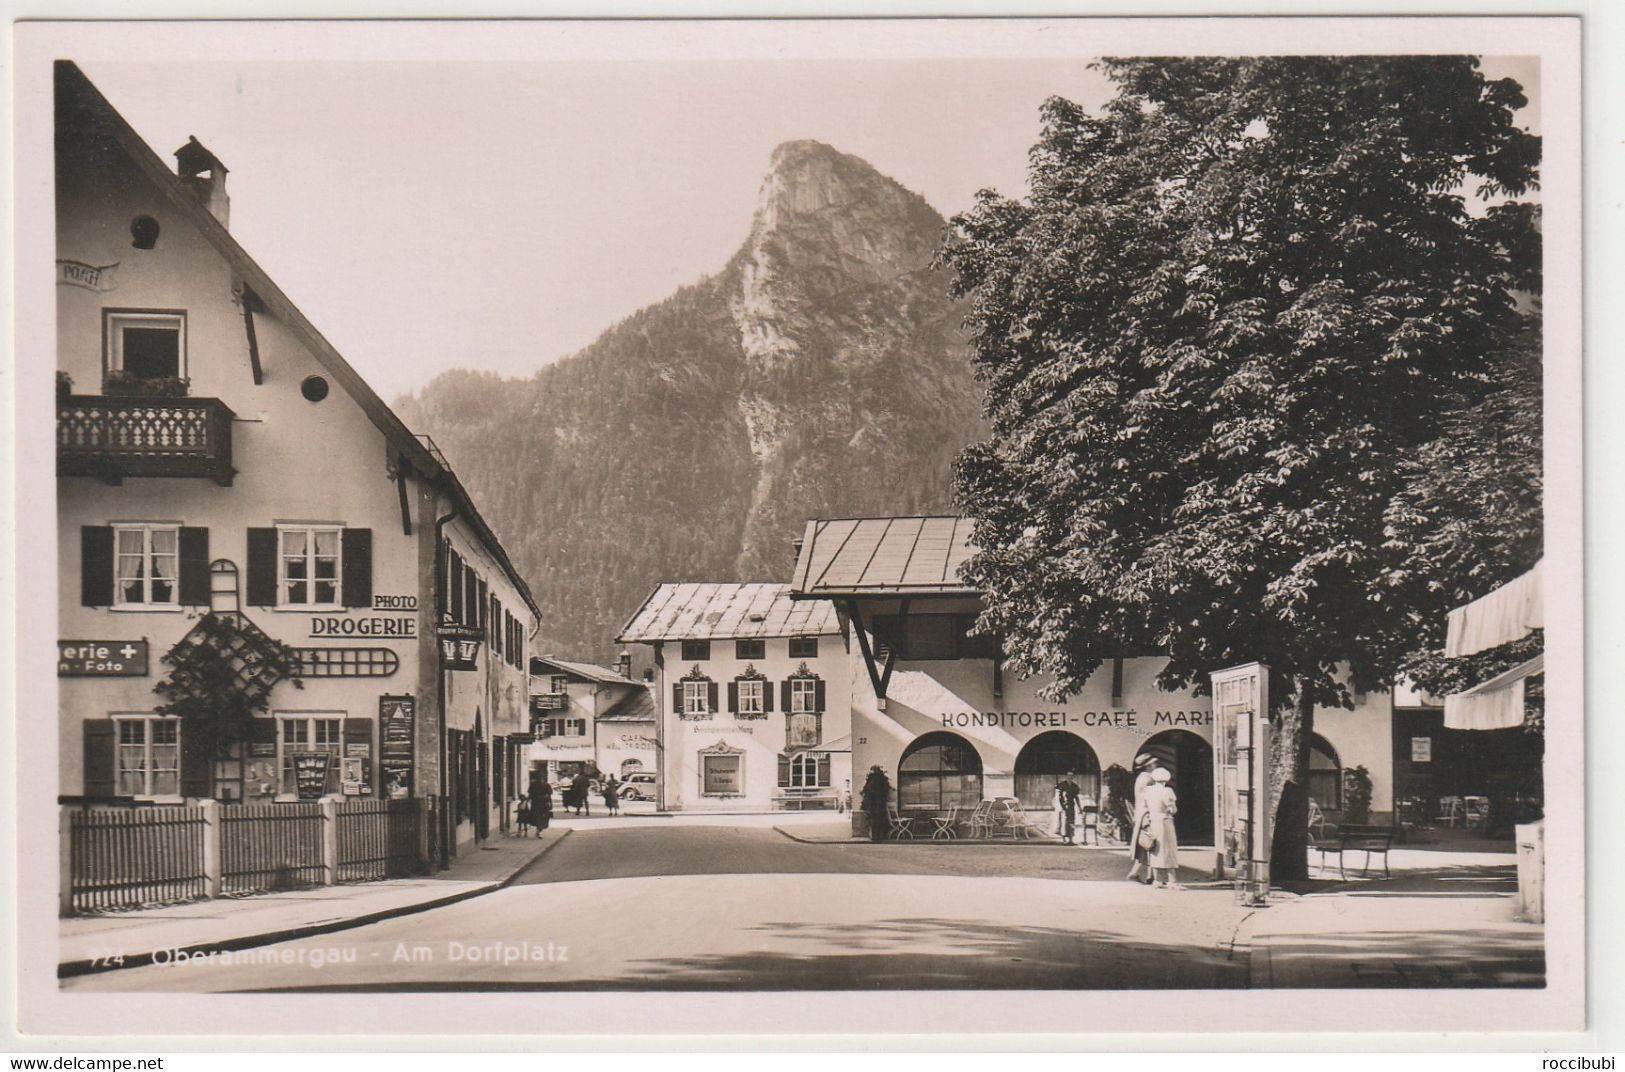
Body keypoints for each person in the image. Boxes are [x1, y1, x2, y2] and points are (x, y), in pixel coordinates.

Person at [1142, 766, 1182, 888]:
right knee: (1169, 849)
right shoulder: (1167, 791)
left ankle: (1157, 880)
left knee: (1155, 849)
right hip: (1165, 821)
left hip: (1153, 821)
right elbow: (1172, 809)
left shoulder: (1148, 790)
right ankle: (1172, 881)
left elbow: (1145, 805)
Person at [1126, 754, 1160, 883]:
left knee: (1144, 844)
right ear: (1148, 765)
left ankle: (1139, 873)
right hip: (1147, 814)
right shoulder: (1149, 779)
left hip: (1140, 814)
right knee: (1152, 843)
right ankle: (1151, 875)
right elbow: (1152, 799)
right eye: (1154, 763)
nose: (1156, 765)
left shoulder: (1140, 778)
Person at [860, 765, 892, 843]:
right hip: (879, 805)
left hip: (874, 805)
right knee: (879, 821)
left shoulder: (872, 781)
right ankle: (879, 837)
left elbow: (867, 790)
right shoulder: (881, 780)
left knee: (874, 821)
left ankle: (875, 837)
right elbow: (885, 791)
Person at [1056, 773, 1082, 845]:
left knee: (1071, 822)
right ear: (1066, 776)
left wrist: (1079, 807)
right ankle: (1064, 839)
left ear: (1073, 777)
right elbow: (1058, 797)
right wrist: (1061, 806)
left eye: (1071, 776)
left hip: (1071, 806)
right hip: (1063, 806)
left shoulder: (1074, 786)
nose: (1070, 777)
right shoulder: (1062, 785)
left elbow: (1076, 797)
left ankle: (1071, 839)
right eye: (1068, 775)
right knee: (1064, 822)